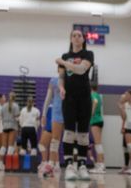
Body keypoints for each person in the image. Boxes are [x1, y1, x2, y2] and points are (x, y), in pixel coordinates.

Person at [56, 29, 95, 181]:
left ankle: (82, 165)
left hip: (85, 97)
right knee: (69, 132)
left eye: (79, 35)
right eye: (74, 35)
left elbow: (80, 70)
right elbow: (61, 76)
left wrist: (63, 63)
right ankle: (70, 166)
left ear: (83, 39)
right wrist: (61, 88)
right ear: (70, 39)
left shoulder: (88, 54)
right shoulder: (65, 56)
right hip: (69, 98)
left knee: (83, 133)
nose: (77, 37)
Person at [39, 65, 65, 177]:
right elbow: (47, 98)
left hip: (69, 113)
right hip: (56, 113)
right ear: (58, 69)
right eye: (60, 68)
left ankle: (69, 165)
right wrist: (44, 114)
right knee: (55, 139)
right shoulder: (53, 81)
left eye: (64, 68)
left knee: (70, 139)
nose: (62, 70)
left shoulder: (72, 81)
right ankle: (51, 164)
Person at [0, 91, 20, 170]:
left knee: (3, 146)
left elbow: (1, 116)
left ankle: (0, 164)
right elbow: (17, 117)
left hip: (5, 126)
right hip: (13, 126)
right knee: (10, 146)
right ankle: (8, 164)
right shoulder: (16, 106)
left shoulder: (3, 106)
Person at [18, 96, 40, 162]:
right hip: (32, 128)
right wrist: (35, 128)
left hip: (24, 128)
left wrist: (23, 126)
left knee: (23, 147)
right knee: (33, 147)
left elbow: (20, 120)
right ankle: (33, 164)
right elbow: (38, 122)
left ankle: (23, 165)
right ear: (33, 102)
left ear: (26, 102)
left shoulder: (23, 110)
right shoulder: (37, 110)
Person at [90, 84, 106, 174]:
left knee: (98, 144)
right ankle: (101, 165)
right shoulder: (98, 95)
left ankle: (101, 165)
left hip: (95, 121)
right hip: (100, 120)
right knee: (98, 143)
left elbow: (95, 102)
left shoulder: (92, 95)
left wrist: (91, 113)